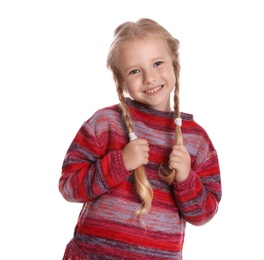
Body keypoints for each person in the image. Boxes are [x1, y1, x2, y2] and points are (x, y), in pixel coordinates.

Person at [59, 18, 222, 260]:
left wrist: (186, 177)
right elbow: (69, 187)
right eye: (135, 70)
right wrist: (119, 163)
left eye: (157, 63)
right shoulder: (105, 123)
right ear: (121, 79)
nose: (149, 77)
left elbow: (204, 214)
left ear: (174, 64)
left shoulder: (196, 140)